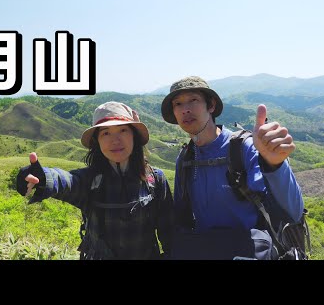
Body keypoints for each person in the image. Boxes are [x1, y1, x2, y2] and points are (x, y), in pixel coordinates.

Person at [160, 76, 305, 260]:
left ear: (211, 106)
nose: (185, 109)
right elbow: (182, 219)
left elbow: (293, 211)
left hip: (250, 252)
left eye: (193, 100)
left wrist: (275, 165)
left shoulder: (243, 148)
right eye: (178, 104)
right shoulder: (185, 159)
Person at [16, 101, 174, 260]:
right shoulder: (90, 180)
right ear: (97, 141)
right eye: (106, 133)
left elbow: (170, 232)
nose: (115, 140)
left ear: (134, 136)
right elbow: (67, 181)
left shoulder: (155, 179)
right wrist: (44, 178)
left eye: (123, 130)